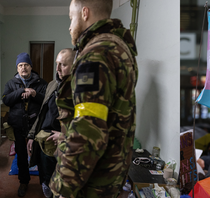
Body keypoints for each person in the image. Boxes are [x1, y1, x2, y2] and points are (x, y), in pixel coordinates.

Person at [50, 0, 138, 197]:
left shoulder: (95, 54)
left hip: (92, 183)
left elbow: (87, 128)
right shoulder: (119, 47)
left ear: (85, 13)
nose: (69, 26)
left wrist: (61, 187)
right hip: (110, 176)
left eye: (71, 17)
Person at [26, 49, 75, 198]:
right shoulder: (52, 84)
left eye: (63, 65)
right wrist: (32, 135)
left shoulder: (79, 89)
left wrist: (64, 135)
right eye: (57, 64)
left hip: (64, 145)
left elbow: (87, 123)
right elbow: (42, 112)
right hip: (44, 139)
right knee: (44, 174)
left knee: (62, 183)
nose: (58, 69)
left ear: (74, 65)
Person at [2, 52, 47, 197]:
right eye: (20, 65)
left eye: (26, 65)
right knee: (21, 155)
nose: (23, 68)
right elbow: (6, 100)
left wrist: (34, 93)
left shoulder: (41, 83)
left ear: (31, 66)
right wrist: (21, 90)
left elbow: (46, 102)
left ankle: (44, 183)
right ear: (17, 68)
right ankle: (23, 181)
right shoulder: (11, 83)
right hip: (18, 124)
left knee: (39, 154)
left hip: (36, 125)